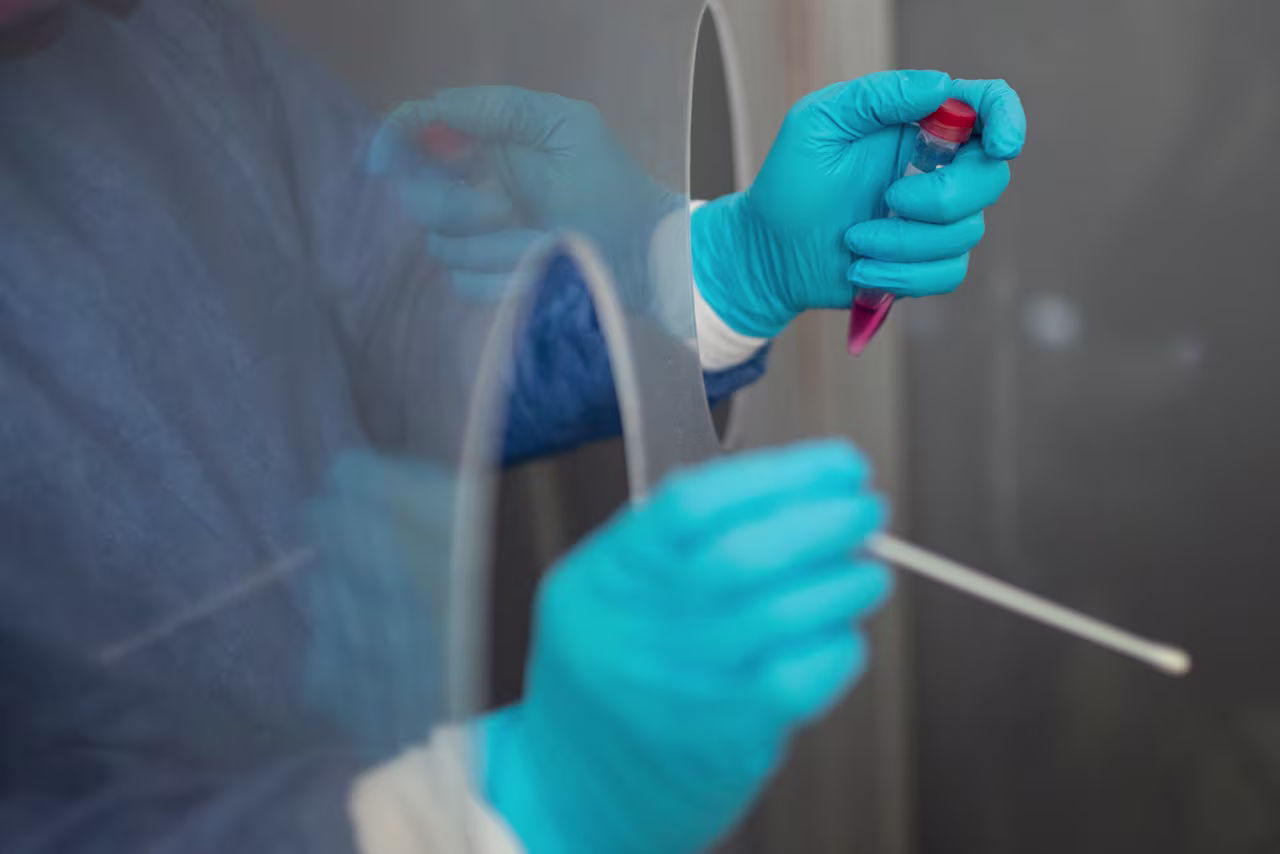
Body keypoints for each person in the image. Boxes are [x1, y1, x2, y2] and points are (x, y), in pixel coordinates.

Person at [0, 1, 1026, 852]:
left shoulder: (155, 43)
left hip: (376, 720)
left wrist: (716, 267)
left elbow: (398, 309)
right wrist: (457, 816)